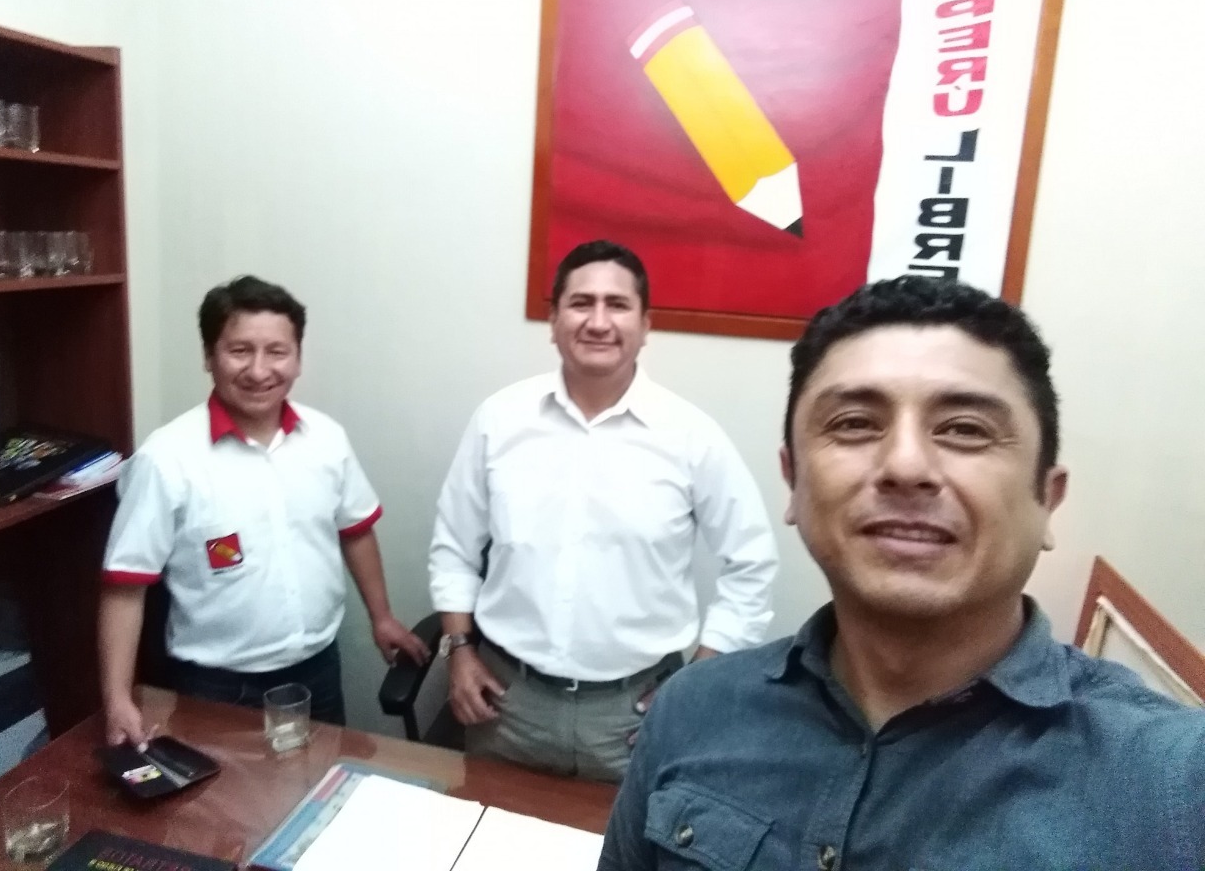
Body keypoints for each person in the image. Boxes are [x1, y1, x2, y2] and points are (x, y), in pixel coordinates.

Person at [600, 275, 1205, 868]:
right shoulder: (693, 710)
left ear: (1047, 498)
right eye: (854, 424)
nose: (906, 466)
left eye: (965, 429)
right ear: (793, 481)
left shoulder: (1172, 787)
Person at [428, 240, 779, 782]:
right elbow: (454, 547)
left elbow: (752, 564)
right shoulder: (498, 421)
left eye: (617, 305)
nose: (598, 322)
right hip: (506, 706)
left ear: (645, 324)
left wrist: (695, 683)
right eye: (580, 303)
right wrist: (457, 650)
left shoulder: (692, 437)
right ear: (553, 321)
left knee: (630, 837)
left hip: (635, 717)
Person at [98, 275, 427, 747]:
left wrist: (382, 616)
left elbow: (355, 530)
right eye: (239, 351)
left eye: (277, 352)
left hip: (317, 672)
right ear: (209, 356)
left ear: (297, 359)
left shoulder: (326, 439)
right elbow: (125, 587)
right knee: (225, 798)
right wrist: (117, 698)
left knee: (319, 785)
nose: (258, 370)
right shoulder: (166, 459)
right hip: (215, 687)